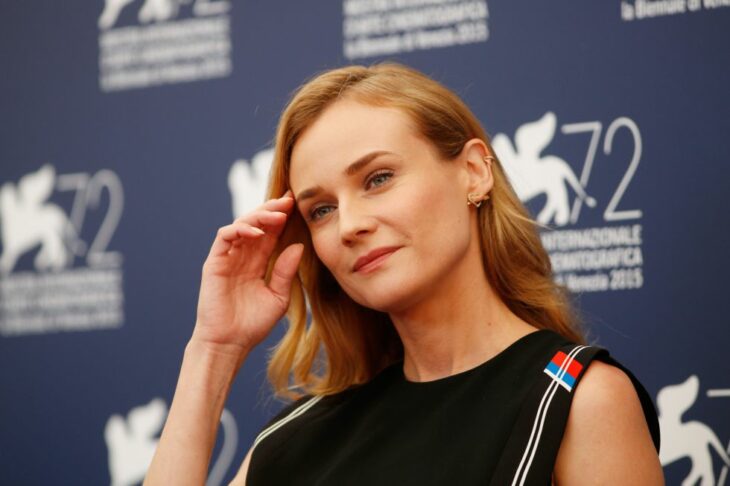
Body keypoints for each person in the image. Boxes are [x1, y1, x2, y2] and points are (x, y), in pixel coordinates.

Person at [145, 63, 663, 485]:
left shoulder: (577, 399)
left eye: (379, 178)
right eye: (321, 210)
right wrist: (214, 350)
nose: (349, 225)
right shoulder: (300, 440)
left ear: (474, 172)